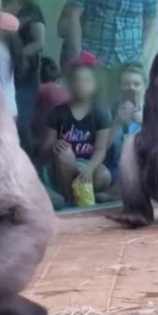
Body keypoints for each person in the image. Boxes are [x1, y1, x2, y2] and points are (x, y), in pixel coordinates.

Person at [62, 0, 158, 104]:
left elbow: (152, 21)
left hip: (129, 63)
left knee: (129, 116)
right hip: (94, 60)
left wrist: (143, 57)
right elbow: (74, 14)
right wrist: (78, 54)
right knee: (97, 116)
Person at [42, 51, 112, 204]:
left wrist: (90, 168)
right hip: (62, 166)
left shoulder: (100, 114)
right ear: (69, 84)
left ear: (95, 84)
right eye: (76, 81)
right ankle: (71, 200)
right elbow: (46, 146)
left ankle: (86, 197)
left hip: (87, 165)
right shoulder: (57, 112)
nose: (81, 85)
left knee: (104, 176)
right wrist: (55, 145)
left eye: (86, 81)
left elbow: (101, 149)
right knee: (65, 154)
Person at [0, 0, 46, 156]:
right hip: (0, 76)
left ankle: (30, 170)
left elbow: (39, 42)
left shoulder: (31, 9)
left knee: (23, 125)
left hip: (24, 75)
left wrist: (18, 56)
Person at [104, 62, 146, 185]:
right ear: (119, 87)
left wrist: (145, 123)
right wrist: (117, 123)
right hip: (116, 169)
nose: (131, 88)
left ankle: (113, 194)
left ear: (145, 87)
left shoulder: (155, 110)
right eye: (126, 84)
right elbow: (101, 148)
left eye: (136, 84)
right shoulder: (110, 111)